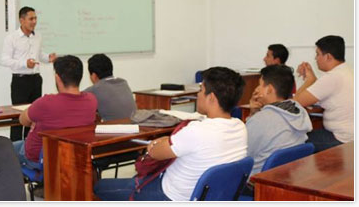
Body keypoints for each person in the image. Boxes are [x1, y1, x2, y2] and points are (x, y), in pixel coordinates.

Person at [94, 67, 247, 201]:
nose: (198, 95)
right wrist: (169, 140)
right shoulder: (240, 127)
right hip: (208, 196)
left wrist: (155, 144)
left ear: (211, 98)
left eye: (201, 90)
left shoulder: (197, 131)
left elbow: (155, 153)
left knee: (100, 186)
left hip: (169, 195)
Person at [15, 55, 97, 170]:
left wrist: (35, 122)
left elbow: (22, 120)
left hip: (38, 157)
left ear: (57, 78)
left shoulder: (46, 102)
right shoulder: (91, 100)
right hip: (73, 157)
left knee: (3, 150)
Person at [1, 6, 57, 141]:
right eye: (31, 19)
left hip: (36, 80)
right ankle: (15, 146)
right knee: (17, 117)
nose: (34, 21)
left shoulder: (37, 36)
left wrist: (48, 58)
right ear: (22, 20)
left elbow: (39, 55)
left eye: (35, 18)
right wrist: (24, 64)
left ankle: (30, 144)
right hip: (20, 81)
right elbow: (5, 59)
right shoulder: (12, 38)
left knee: (34, 115)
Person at [246, 64, 312, 175]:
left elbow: (244, 155)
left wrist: (253, 117)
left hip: (257, 181)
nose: (257, 89)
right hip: (287, 176)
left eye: (260, 85)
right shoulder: (299, 111)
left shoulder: (261, 120)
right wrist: (254, 113)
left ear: (269, 89)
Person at [294, 35, 353, 152]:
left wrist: (309, 80)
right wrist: (312, 78)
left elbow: (296, 102)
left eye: (317, 54)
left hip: (341, 139)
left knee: (295, 140)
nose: (316, 59)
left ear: (328, 57)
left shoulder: (333, 77)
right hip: (351, 136)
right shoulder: (347, 71)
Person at [84, 53, 137, 121]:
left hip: (114, 130)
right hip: (135, 128)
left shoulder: (94, 90)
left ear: (94, 75)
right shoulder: (123, 82)